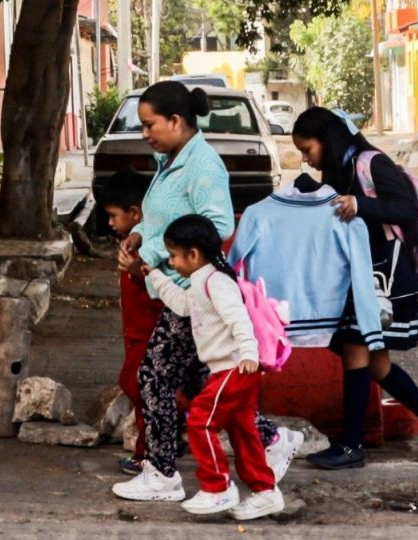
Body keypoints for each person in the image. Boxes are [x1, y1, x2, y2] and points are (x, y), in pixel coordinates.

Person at [110, 81, 300, 501]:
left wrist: (156, 253)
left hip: (193, 289)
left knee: (154, 377)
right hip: (176, 289)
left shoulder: (203, 167)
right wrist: (140, 236)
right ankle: (270, 440)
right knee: (203, 383)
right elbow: (164, 216)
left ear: (176, 121)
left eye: (149, 125)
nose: (144, 134)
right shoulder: (170, 159)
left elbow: (217, 225)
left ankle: (162, 473)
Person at [291, 107, 418, 469]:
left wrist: (360, 204)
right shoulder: (340, 170)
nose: (305, 158)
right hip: (360, 275)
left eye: (308, 149)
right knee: (376, 363)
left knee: (356, 352)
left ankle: (351, 446)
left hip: (383, 277)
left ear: (327, 139)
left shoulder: (371, 163)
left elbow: (405, 208)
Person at [142, 215, 284, 518]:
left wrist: (248, 352)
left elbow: (239, 319)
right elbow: (182, 305)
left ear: (193, 254)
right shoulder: (201, 282)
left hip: (236, 368)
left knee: (200, 422)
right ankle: (265, 491)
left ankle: (218, 488)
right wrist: (156, 276)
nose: (173, 262)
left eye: (173, 256)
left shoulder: (217, 282)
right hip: (229, 369)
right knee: (243, 432)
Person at [97, 169, 160, 475]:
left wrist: (138, 271)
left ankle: (146, 454)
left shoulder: (147, 249)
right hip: (135, 331)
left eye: (113, 215)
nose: (110, 222)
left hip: (148, 332)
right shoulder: (130, 243)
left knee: (140, 388)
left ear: (135, 213)